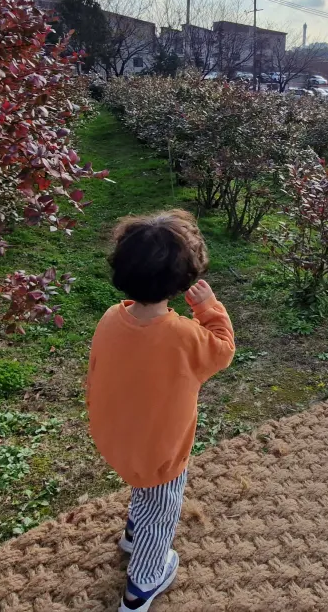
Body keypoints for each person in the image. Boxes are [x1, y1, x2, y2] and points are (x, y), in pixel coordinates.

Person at [86, 210, 236, 611]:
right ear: (185, 279)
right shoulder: (184, 335)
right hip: (161, 451)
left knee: (144, 488)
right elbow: (223, 350)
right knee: (163, 509)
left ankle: (133, 533)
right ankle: (143, 584)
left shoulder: (110, 318)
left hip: (117, 437)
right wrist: (208, 307)